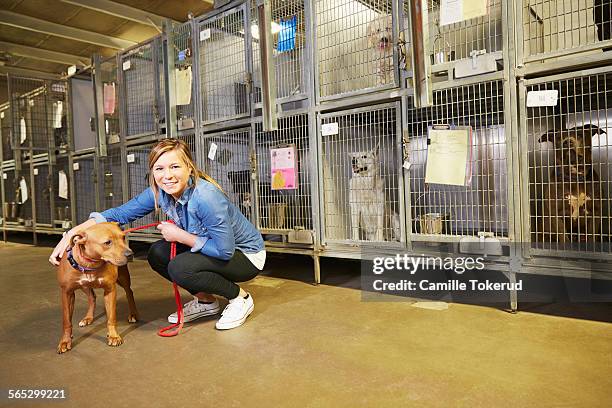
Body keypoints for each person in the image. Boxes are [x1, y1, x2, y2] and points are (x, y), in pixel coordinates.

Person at [49, 139, 265, 330]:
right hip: (216, 249)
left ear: (189, 168)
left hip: (245, 255)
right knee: (158, 253)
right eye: (159, 168)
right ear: (152, 172)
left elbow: (224, 251)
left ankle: (240, 299)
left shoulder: (205, 197)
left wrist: (180, 236)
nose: (167, 175)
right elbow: (119, 214)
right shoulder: (159, 191)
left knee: (180, 266)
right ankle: (206, 302)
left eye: (175, 166)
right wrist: (72, 233)